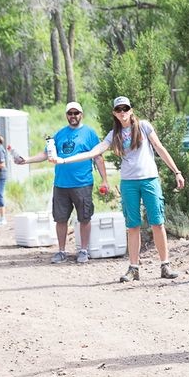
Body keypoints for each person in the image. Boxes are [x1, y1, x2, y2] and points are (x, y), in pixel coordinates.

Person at [55, 96, 186, 282]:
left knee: (157, 222)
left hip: (149, 179)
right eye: (119, 110)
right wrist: (64, 160)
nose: (123, 112)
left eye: (126, 108)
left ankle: (165, 265)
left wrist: (176, 171)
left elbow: (159, 147)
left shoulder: (144, 126)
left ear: (131, 110)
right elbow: (95, 151)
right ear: (115, 113)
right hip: (129, 183)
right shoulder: (113, 135)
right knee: (132, 225)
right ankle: (134, 268)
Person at [14, 102, 109, 265]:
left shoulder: (89, 134)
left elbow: (98, 157)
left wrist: (105, 180)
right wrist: (26, 160)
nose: (73, 116)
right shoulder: (59, 134)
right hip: (61, 184)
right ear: (66, 115)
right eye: (70, 113)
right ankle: (61, 251)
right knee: (60, 219)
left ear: (82, 114)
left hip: (82, 183)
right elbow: (46, 153)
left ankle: (83, 250)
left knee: (84, 218)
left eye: (76, 113)